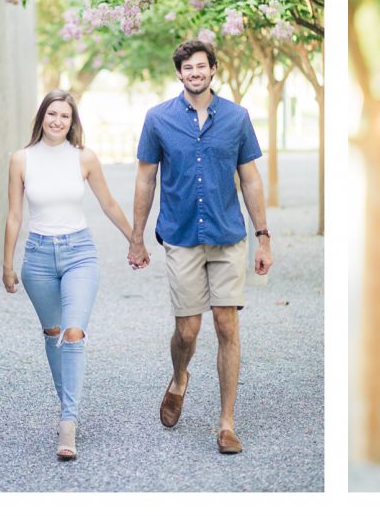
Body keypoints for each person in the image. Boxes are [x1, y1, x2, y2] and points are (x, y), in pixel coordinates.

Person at [127, 39, 273, 455]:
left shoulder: (237, 118)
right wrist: (137, 237)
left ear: (213, 70)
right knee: (187, 330)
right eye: (187, 68)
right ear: (179, 74)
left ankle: (226, 423)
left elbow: (250, 178)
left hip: (228, 235)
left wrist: (264, 236)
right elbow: (144, 179)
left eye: (201, 66)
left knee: (227, 325)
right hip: (182, 235)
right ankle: (179, 377)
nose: (195, 73)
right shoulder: (158, 119)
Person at [2, 89, 141, 460]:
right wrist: (7, 264)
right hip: (38, 257)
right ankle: (68, 403)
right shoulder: (21, 160)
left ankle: (69, 420)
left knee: (73, 332)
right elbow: (15, 215)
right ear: (41, 117)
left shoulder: (85, 159)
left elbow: (108, 203)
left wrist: (135, 240)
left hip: (80, 252)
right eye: (52, 114)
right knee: (53, 334)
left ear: (72, 121)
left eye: (65, 116)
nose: (57, 121)